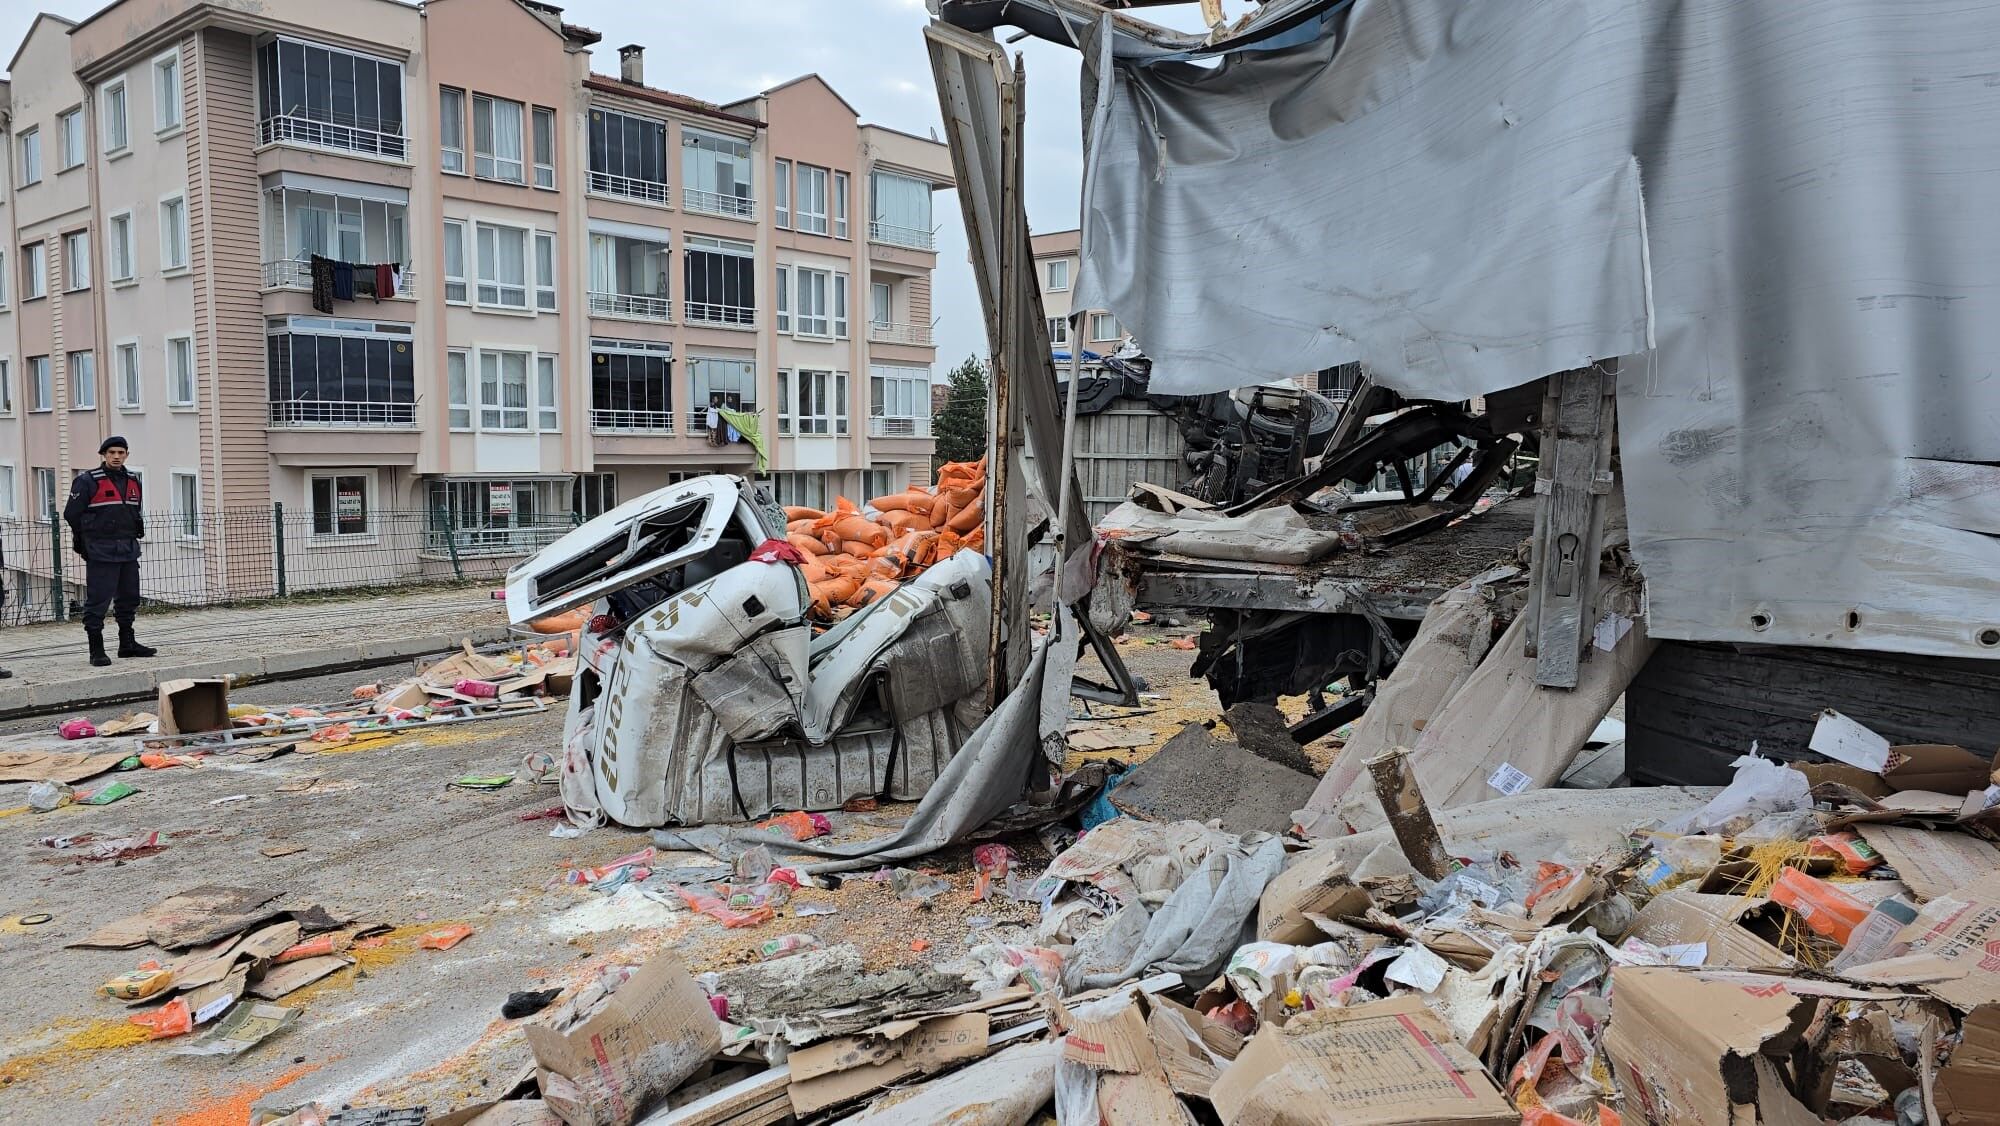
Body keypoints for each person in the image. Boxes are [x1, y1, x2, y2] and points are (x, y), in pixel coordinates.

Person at [63, 436, 155, 667]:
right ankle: (97, 651)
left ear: (126, 455)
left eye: (120, 452)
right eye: (111, 452)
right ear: (103, 455)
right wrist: (86, 541)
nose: (116, 456)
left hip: (128, 549)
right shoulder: (87, 481)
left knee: (129, 598)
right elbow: (71, 514)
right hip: (101, 550)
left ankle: (127, 645)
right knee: (98, 602)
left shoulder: (134, 480)